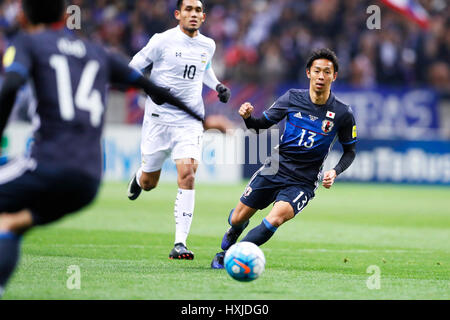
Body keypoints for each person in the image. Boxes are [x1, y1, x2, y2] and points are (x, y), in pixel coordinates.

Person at [0, 0, 196, 298]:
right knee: (9, 223)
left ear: (24, 17)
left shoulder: (28, 43)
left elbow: (11, 84)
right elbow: (155, 89)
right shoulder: (99, 52)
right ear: (67, 16)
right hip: (89, 181)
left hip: (47, 164)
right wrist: (204, 119)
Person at [211, 48, 357, 268]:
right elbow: (259, 127)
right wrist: (249, 118)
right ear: (308, 72)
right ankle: (235, 228)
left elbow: (350, 151)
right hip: (275, 168)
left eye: (327, 72)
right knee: (237, 218)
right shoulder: (291, 98)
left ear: (334, 76)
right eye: (317, 71)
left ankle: (230, 255)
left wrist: (335, 171)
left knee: (275, 218)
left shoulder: (342, 113)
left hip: (304, 181)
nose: (321, 76)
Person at [126, 0, 231, 260]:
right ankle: (139, 177)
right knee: (150, 183)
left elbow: (204, 69)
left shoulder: (208, 45)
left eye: (198, 11)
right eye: (188, 10)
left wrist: (217, 86)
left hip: (189, 120)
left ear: (203, 17)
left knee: (188, 173)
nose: (193, 14)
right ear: (178, 14)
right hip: (158, 120)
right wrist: (150, 90)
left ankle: (180, 243)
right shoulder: (162, 41)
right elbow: (132, 68)